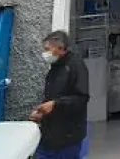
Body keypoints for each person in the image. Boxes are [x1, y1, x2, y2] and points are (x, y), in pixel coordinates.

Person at [30, 30, 89, 159]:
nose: (44, 54)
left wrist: (56, 104)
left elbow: (81, 98)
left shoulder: (75, 66)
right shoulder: (55, 67)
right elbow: (52, 96)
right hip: (50, 134)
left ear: (61, 49)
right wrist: (42, 112)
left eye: (47, 49)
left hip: (67, 136)